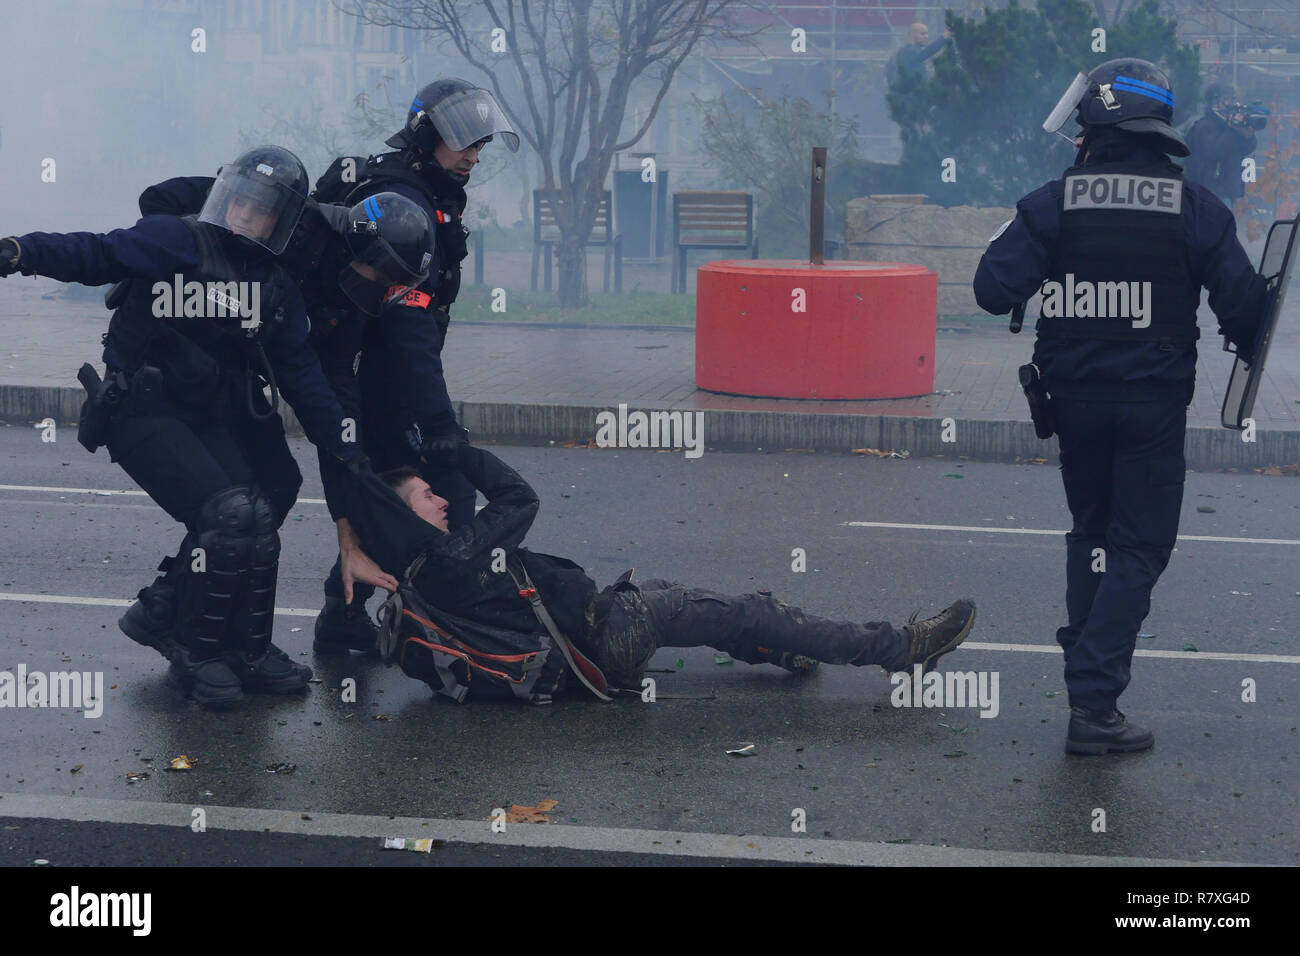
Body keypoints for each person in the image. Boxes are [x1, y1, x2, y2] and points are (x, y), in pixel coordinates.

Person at [0, 145, 387, 708]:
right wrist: (17, 251)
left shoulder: (275, 283)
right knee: (229, 512)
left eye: (261, 210)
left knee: (272, 490)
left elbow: (304, 378)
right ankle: (195, 653)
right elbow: (95, 252)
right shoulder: (178, 240)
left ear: (281, 222)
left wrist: (348, 447)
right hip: (144, 409)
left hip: (210, 409)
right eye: (240, 203)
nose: (244, 216)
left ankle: (244, 649)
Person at [972, 59, 1268, 754]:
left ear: (1099, 124)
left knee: (1093, 536)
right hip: (1151, 407)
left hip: (1072, 402)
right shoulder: (1195, 207)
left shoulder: (1054, 202)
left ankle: (1089, 685)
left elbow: (992, 289)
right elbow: (1248, 315)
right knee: (1138, 547)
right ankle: (1093, 701)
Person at [337, 442, 977, 705]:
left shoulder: (422, 576)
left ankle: (783, 648)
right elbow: (520, 498)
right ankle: (904, 649)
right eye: (427, 496)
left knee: (722, 613)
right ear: (407, 519)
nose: (442, 499)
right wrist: (460, 451)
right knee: (750, 609)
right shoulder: (452, 560)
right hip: (611, 631)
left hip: (582, 652)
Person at [114, 186, 437, 668]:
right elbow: (155, 200)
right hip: (178, 366)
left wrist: (348, 521)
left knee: (277, 484)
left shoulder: (348, 299)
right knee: (231, 509)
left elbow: (329, 397)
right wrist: (208, 273)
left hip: (245, 373)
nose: (382, 287)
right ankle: (194, 641)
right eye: (383, 273)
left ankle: (182, 613)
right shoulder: (285, 214)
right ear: (364, 248)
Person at [310, 77, 522, 655]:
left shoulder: (426, 186)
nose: (474, 157)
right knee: (446, 496)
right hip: (374, 379)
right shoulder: (399, 197)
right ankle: (442, 633)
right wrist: (438, 424)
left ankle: (346, 616)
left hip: (387, 375)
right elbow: (407, 330)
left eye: (481, 146)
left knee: (397, 505)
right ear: (427, 136)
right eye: (465, 145)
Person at [1182, 82, 1258, 208]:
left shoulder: (1228, 126)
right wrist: (1233, 130)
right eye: (1226, 99)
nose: (1231, 104)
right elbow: (1216, 151)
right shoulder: (1203, 126)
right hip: (1210, 191)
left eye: (1232, 99)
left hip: (1227, 191)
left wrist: (1247, 135)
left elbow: (1243, 150)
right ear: (1213, 102)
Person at [887, 22, 953, 84]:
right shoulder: (909, 51)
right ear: (912, 34)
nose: (926, 36)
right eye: (922, 34)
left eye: (927, 34)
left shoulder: (909, 51)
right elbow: (927, 51)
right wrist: (943, 37)